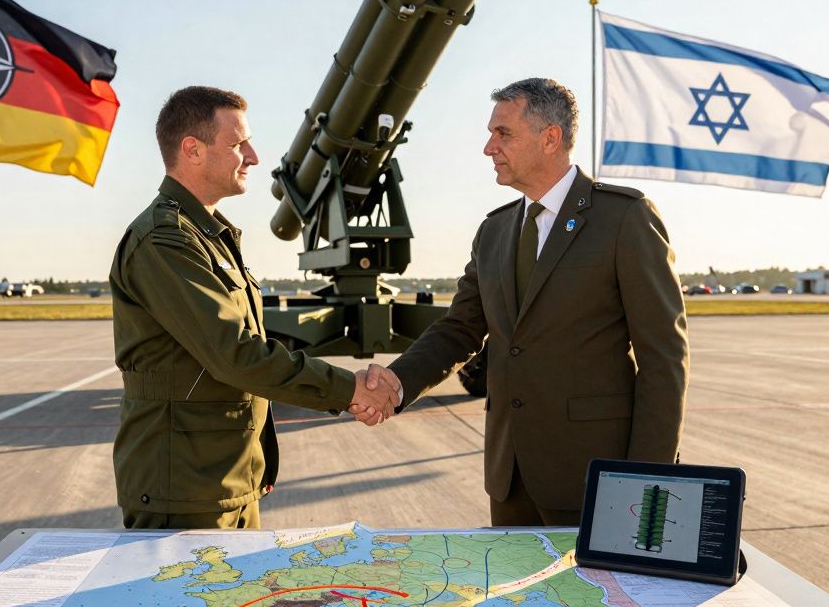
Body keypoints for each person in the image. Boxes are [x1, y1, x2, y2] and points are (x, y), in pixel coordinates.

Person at [364, 78, 689, 527]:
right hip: (509, 476)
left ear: (550, 138)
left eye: (504, 133)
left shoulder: (622, 218)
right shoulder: (495, 231)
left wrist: (646, 481)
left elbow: (664, 358)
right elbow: (460, 329)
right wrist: (396, 383)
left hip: (595, 477)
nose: (488, 148)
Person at [109, 85, 400, 530]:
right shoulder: (166, 240)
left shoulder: (206, 235)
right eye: (238, 143)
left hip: (227, 478)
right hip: (185, 487)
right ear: (193, 150)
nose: (254, 156)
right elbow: (236, 354)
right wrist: (348, 389)